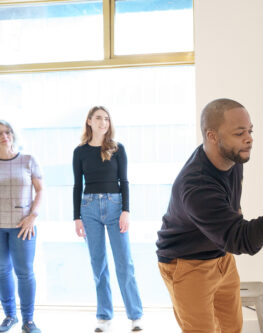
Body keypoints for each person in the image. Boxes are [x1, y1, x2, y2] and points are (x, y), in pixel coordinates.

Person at [156, 98, 263, 333]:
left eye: (250, 131)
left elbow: (234, 221)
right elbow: (244, 240)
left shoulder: (231, 157)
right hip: (186, 264)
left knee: (232, 328)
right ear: (212, 136)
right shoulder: (197, 186)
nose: (249, 138)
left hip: (221, 257)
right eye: (240, 132)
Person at [72, 106, 143, 332]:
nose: (104, 122)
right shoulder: (80, 151)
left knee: (124, 263)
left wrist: (126, 210)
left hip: (115, 207)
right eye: (99, 118)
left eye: (107, 119)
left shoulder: (118, 149)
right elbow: (77, 185)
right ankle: (104, 317)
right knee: (98, 265)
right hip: (89, 208)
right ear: (89, 122)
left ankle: (135, 316)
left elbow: (125, 181)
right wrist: (76, 217)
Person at [0, 120, 43, 333]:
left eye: (7, 132)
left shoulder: (28, 160)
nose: (4, 135)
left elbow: (41, 190)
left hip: (23, 226)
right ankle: (10, 316)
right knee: (1, 271)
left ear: (13, 135)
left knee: (24, 272)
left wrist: (33, 216)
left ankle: (28, 320)